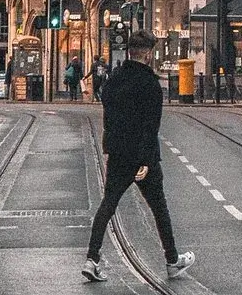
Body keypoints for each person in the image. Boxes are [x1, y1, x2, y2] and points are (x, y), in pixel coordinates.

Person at [82, 31, 195, 283]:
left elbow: (108, 114)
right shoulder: (150, 84)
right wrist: (145, 160)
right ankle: (172, 260)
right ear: (148, 54)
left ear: (130, 51)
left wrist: (111, 145)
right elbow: (151, 126)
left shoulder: (114, 79)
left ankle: (91, 258)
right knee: (159, 208)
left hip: (118, 153)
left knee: (108, 204)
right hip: (143, 156)